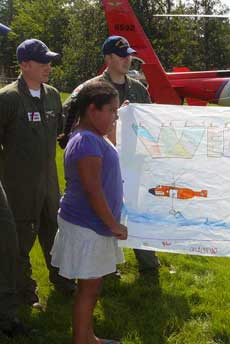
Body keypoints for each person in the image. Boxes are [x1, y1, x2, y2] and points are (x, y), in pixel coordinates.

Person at [60, 35, 160, 276]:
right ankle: (107, 266)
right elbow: (69, 118)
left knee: (136, 209)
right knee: (106, 206)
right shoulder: (90, 89)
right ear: (108, 58)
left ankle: (148, 260)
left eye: (129, 55)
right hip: (102, 161)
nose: (128, 59)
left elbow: (149, 122)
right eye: (121, 55)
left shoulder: (139, 89)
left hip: (134, 162)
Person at [0, 39, 76, 309]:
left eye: (49, 61)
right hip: (18, 184)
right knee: (20, 241)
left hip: (49, 182)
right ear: (24, 65)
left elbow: (62, 132)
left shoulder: (53, 94)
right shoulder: (8, 98)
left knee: (55, 233)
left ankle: (63, 281)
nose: (48, 66)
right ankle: (24, 291)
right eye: (42, 62)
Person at [51, 80, 127, 344]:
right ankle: (82, 341)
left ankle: (88, 336)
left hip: (92, 224)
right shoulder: (85, 142)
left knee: (91, 288)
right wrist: (113, 225)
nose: (115, 116)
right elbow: (93, 190)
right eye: (112, 111)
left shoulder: (92, 136)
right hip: (88, 225)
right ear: (93, 110)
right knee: (88, 289)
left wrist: (122, 116)